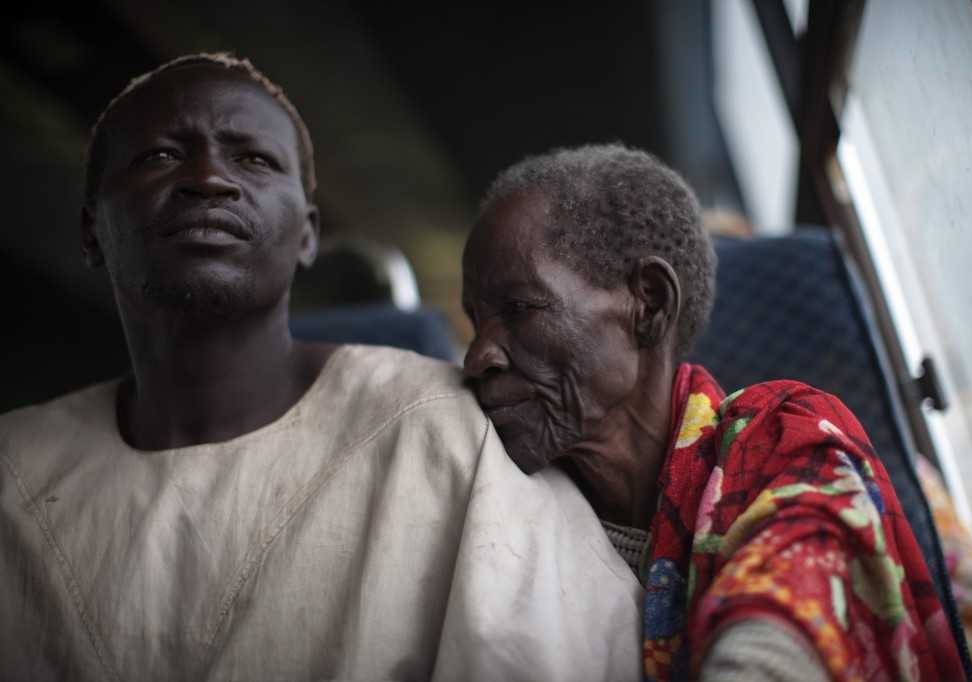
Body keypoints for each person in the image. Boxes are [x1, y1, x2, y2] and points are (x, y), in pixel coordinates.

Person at [0, 54, 643, 681]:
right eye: (160, 156)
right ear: (91, 230)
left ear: (308, 235)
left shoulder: (441, 429)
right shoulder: (16, 463)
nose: (210, 179)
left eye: (253, 159)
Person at [461, 143, 969, 681]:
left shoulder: (788, 439)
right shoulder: (495, 485)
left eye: (517, 309)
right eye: (476, 322)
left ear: (649, 305)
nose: (475, 358)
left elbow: (787, 619)